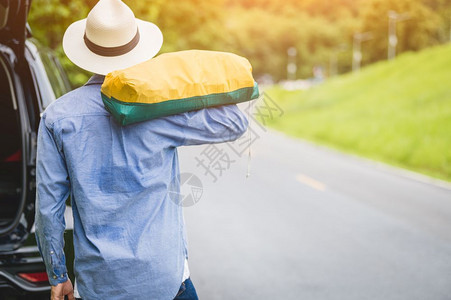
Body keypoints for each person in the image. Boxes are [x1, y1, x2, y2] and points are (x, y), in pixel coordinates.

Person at [34, 0, 248, 299]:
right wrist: (164, 78)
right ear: (137, 51)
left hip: (99, 286)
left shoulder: (58, 117)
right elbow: (235, 122)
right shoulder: (160, 109)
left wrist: (58, 276)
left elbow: (48, 209)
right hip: (166, 282)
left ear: (88, 51)